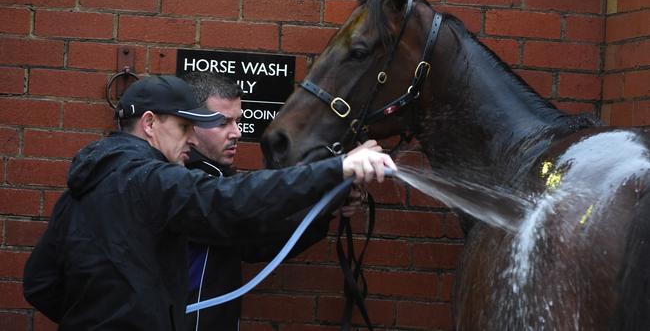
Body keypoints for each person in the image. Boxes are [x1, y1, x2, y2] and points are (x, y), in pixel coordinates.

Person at [22, 75, 396, 331]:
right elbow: (232, 200)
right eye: (184, 127)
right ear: (150, 124)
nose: (190, 138)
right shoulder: (153, 179)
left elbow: (39, 282)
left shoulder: (81, 190)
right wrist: (338, 168)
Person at [182, 72, 369, 330]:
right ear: (190, 122)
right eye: (223, 123)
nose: (236, 132)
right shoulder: (179, 180)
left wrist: (327, 207)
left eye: (238, 121)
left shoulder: (215, 175)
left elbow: (256, 243)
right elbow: (246, 215)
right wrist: (332, 176)